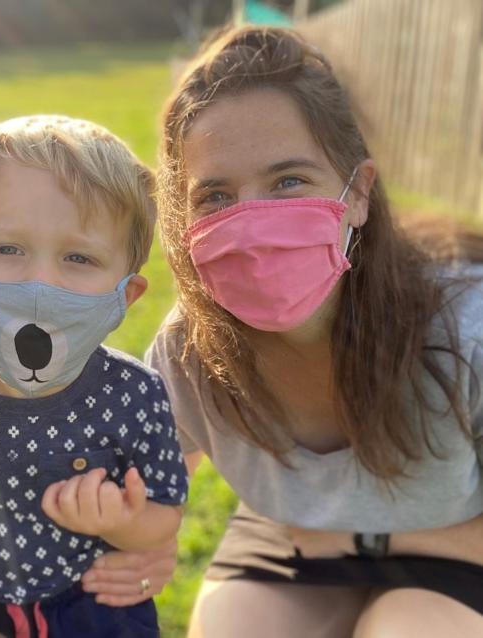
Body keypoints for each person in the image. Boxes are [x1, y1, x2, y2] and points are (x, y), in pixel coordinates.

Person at [147, 25, 483, 638]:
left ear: (357, 194)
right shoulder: (188, 350)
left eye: (288, 181)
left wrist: (365, 536)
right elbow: (153, 484)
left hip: (459, 546)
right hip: (293, 542)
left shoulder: (468, 330)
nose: (250, 221)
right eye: (215, 196)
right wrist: (133, 536)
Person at [0, 115, 189, 638]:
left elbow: (166, 513)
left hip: (98, 607)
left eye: (78, 257)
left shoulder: (136, 395)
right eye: (8, 249)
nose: (38, 284)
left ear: (126, 296)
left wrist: (118, 523)